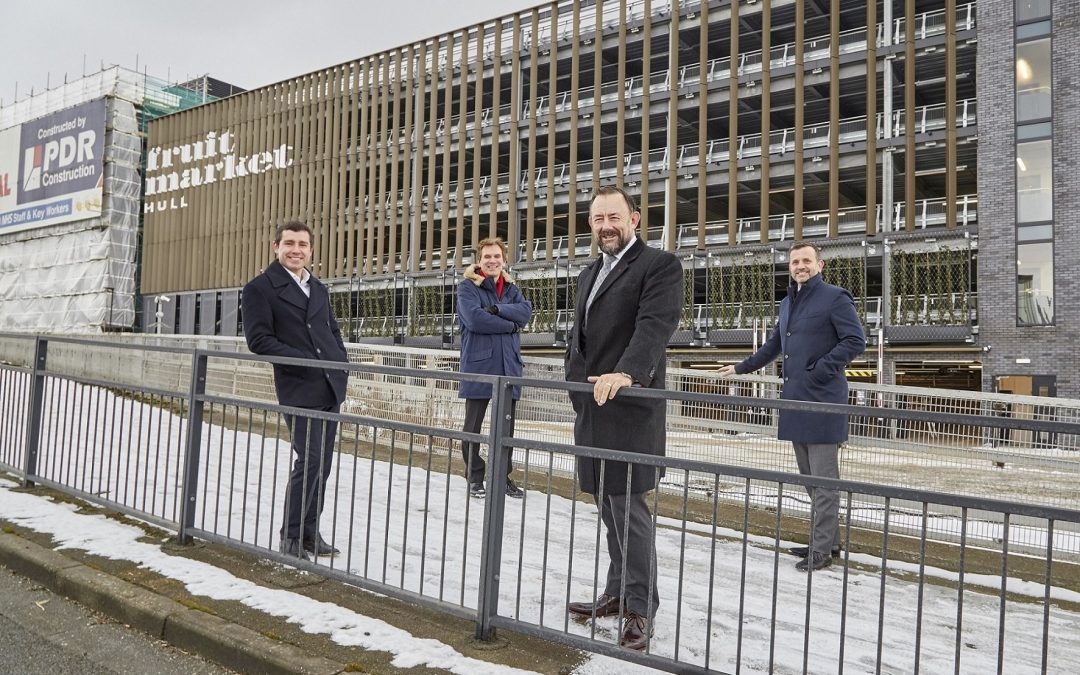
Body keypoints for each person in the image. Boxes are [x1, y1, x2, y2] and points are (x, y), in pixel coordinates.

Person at [564, 186, 683, 651]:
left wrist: (628, 372)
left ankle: (640, 607)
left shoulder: (658, 266)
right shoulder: (590, 272)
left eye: (614, 216)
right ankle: (616, 593)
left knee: (629, 510)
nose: (606, 225)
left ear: (634, 219)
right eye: (598, 219)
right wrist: (576, 385)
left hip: (629, 409)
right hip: (592, 407)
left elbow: (655, 325)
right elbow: (580, 336)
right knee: (608, 506)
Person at [719, 241, 865, 572]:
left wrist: (821, 370)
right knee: (811, 481)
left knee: (825, 482)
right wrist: (741, 367)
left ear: (819, 265)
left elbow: (855, 340)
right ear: (790, 267)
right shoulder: (787, 303)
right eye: (795, 261)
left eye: (806, 261)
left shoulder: (835, 297)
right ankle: (827, 542)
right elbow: (774, 345)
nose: (800, 266)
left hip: (823, 402)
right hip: (796, 401)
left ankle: (822, 551)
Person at [241, 221, 350, 561]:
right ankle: (290, 537)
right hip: (299, 385)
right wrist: (306, 362)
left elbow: (332, 330)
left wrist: (340, 362)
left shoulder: (317, 288)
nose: (296, 250)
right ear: (276, 247)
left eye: (302, 244)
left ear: (311, 250)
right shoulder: (260, 288)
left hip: (330, 385)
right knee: (310, 460)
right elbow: (259, 340)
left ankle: (309, 533)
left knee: (323, 465)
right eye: (289, 243)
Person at [457, 236, 533, 499]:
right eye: (487, 256)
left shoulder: (511, 289)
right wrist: (510, 325)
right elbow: (475, 320)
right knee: (473, 427)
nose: (492, 261)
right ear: (479, 260)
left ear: (504, 260)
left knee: (505, 429)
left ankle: (501, 477)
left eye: (497, 256)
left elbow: (525, 312)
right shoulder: (467, 288)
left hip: (509, 366)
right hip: (479, 365)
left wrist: (497, 309)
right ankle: (475, 476)